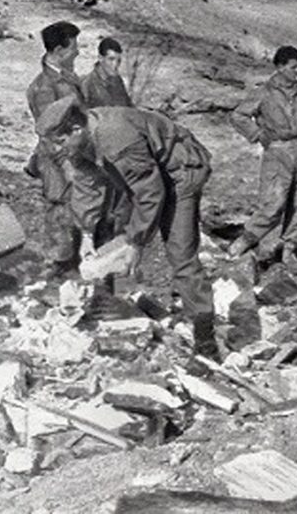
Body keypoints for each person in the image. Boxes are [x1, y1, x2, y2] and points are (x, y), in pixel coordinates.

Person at [35, 97, 218, 358]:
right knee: (118, 223)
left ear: (76, 129)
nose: (58, 148)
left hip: (179, 172)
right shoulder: (79, 143)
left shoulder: (116, 136)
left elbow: (151, 193)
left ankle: (205, 337)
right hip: (141, 172)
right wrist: (86, 233)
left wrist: (137, 244)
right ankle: (116, 304)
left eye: (60, 141)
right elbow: (88, 188)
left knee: (179, 250)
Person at [228, 46, 297, 260]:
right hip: (277, 152)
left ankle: (289, 248)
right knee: (273, 203)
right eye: (293, 67)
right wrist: (257, 134)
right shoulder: (264, 92)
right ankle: (245, 242)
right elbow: (239, 116)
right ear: (280, 67)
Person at [26, 21, 84, 275]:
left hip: (74, 154)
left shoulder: (66, 77)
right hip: (56, 160)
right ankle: (59, 268)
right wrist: (67, 164)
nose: (78, 52)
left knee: (76, 210)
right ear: (60, 50)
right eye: (74, 47)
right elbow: (49, 134)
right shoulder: (43, 88)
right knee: (59, 209)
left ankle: (73, 263)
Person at [81, 37, 134, 108]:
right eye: (111, 59)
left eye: (118, 60)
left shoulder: (117, 81)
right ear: (100, 58)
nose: (115, 65)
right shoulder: (87, 84)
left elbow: (128, 107)